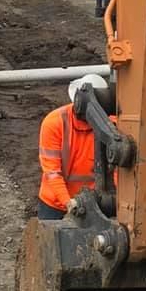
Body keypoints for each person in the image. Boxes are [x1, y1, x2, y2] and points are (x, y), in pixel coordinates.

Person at [36, 74, 109, 220]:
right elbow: (52, 171)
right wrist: (68, 202)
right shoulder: (55, 123)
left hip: (97, 203)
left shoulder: (111, 126)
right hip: (56, 204)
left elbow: (118, 170)